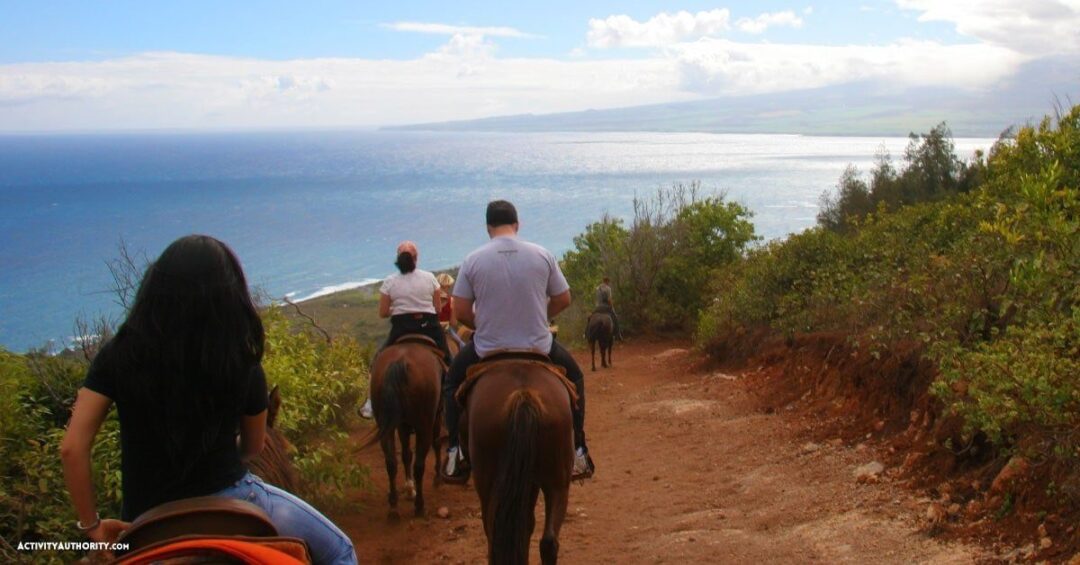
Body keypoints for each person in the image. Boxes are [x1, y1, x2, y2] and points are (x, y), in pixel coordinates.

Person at [60, 235, 356, 565]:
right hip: (234, 499)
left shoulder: (117, 355)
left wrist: (92, 526)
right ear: (229, 295)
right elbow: (253, 449)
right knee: (340, 551)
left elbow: (72, 448)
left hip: (142, 517)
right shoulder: (242, 359)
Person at [443, 200, 593, 480]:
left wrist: (486, 324)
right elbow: (563, 298)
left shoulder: (473, 259)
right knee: (576, 377)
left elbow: (461, 311)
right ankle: (578, 451)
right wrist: (540, 317)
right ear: (517, 224)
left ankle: (455, 453)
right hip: (538, 345)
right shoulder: (542, 254)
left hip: (488, 348)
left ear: (488, 227)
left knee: (451, 382)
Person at [360, 240, 453, 419]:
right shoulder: (429, 278)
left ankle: (371, 403)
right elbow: (438, 309)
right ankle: (452, 398)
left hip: (401, 328)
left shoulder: (389, 282)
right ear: (416, 258)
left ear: (398, 258)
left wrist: (401, 309)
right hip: (429, 327)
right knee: (449, 359)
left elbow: (383, 313)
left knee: (378, 360)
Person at [436, 272, 466, 349]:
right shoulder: (451, 300)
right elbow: (453, 323)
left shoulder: (431, 299)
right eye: (448, 287)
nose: (448, 289)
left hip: (433, 328)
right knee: (462, 346)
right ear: (445, 286)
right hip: (446, 329)